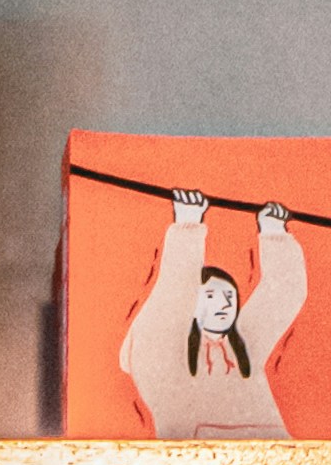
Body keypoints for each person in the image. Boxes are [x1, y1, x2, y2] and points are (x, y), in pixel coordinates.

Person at [121, 185, 306, 434]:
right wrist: (188, 225)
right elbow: (172, 296)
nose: (225, 304)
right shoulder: (166, 355)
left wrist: (274, 233)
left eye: (229, 296)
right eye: (211, 296)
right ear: (191, 302)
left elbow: (283, 293)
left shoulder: (243, 345)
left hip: (270, 452)